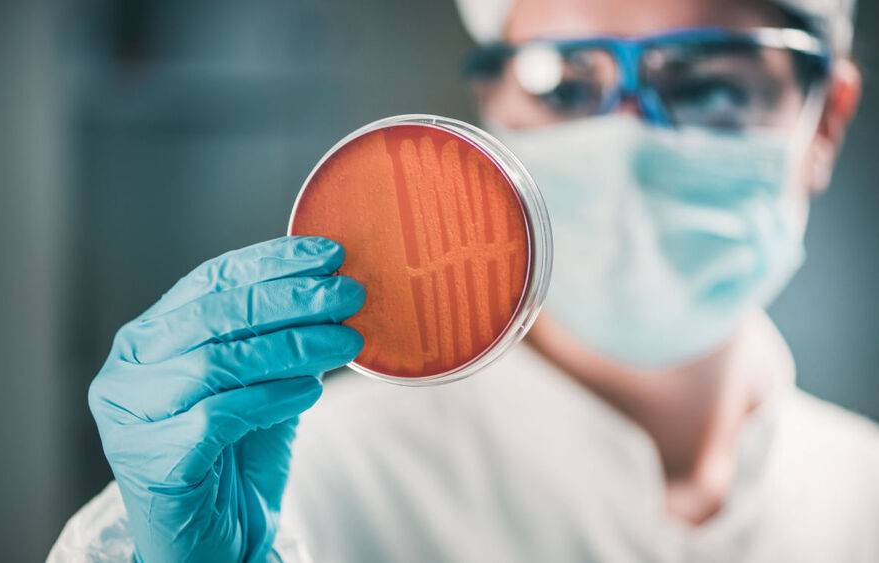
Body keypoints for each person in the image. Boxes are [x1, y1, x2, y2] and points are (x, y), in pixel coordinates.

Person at [49, 0, 879, 561]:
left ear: (826, 120)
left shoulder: (863, 496)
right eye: (564, 83)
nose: (624, 140)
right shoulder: (313, 484)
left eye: (708, 86)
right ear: (489, 110)